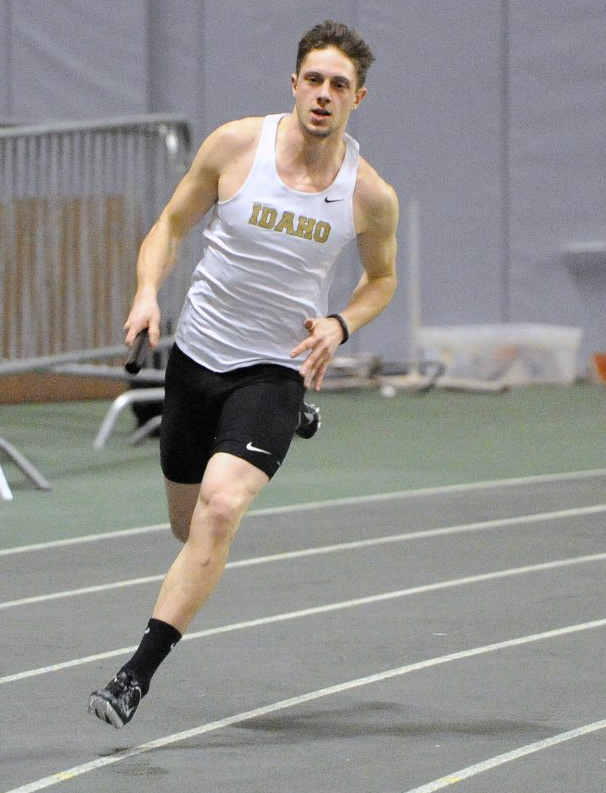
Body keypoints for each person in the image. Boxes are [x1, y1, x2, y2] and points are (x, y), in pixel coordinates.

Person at [88, 19, 399, 729]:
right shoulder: (235, 146)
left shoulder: (368, 194)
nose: (323, 95)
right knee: (186, 526)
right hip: (197, 358)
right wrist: (146, 292)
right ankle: (283, 425)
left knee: (221, 510)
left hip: (274, 368)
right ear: (294, 84)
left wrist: (340, 323)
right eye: (314, 79)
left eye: (339, 85)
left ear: (358, 99)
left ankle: (135, 675)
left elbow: (381, 279)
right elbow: (171, 225)